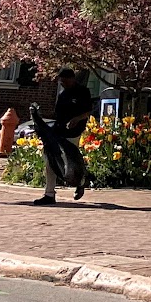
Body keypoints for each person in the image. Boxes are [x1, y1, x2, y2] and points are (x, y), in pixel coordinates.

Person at [33, 67, 95, 206]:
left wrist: (77, 119)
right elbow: (57, 114)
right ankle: (49, 195)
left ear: (72, 79)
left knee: (70, 161)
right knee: (51, 161)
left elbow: (88, 111)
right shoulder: (62, 94)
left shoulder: (82, 92)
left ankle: (81, 181)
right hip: (59, 131)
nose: (63, 84)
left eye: (65, 81)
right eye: (61, 82)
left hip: (73, 132)